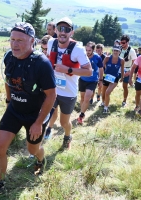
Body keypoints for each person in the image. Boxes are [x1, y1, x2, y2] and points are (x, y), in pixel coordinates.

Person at [0, 22, 56, 199]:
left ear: (32, 41)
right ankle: (0, 184)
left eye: (20, 40)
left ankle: (40, 158)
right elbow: (8, 81)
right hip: (14, 109)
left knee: (32, 150)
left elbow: (51, 95)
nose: (15, 44)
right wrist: (8, 101)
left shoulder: (42, 64)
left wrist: (38, 123)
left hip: (36, 114)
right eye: (12, 39)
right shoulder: (9, 57)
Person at [45, 17, 92, 146]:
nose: (63, 32)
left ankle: (67, 136)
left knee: (64, 122)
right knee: (47, 114)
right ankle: (46, 132)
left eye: (67, 29)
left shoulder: (78, 49)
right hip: (53, 89)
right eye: (60, 28)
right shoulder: (51, 43)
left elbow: (89, 71)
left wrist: (68, 69)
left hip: (68, 93)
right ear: (56, 30)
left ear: (71, 32)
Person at [77, 41, 103, 124]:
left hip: (92, 80)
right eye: (86, 50)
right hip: (82, 79)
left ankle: (81, 114)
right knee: (82, 97)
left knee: (87, 98)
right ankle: (82, 110)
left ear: (93, 50)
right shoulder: (82, 56)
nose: (87, 52)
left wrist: (101, 80)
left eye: (89, 50)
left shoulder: (97, 58)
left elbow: (101, 69)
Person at [100, 46, 125, 113]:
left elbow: (122, 70)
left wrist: (122, 77)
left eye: (117, 51)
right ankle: (103, 102)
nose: (115, 52)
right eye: (114, 50)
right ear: (112, 51)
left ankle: (106, 107)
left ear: (119, 52)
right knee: (103, 92)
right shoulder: (107, 58)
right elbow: (101, 67)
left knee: (107, 92)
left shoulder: (121, 60)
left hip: (115, 78)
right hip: (106, 77)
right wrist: (100, 76)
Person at [119, 35, 137, 107]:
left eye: (124, 43)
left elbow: (135, 63)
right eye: (121, 42)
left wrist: (129, 72)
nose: (122, 44)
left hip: (127, 69)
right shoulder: (119, 49)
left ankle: (124, 100)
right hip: (119, 68)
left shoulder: (132, 51)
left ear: (127, 42)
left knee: (124, 86)